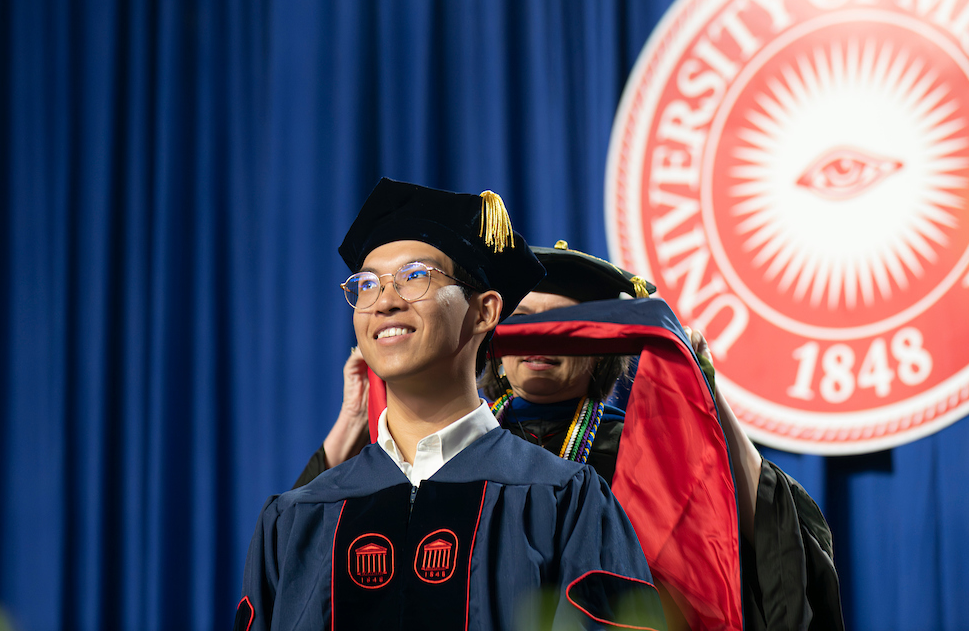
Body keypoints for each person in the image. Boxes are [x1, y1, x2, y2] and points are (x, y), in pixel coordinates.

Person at [296, 240, 844, 631]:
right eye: (526, 321)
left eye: (564, 326)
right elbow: (318, 544)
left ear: (599, 346)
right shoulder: (442, 448)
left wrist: (704, 390)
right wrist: (350, 420)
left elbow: (758, 532)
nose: (540, 340)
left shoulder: (635, 452)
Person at [237, 179, 665, 631]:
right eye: (366, 285)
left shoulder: (565, 499)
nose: (384, 302)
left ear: (484, 312)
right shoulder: (297, 518)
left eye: (415, 276)